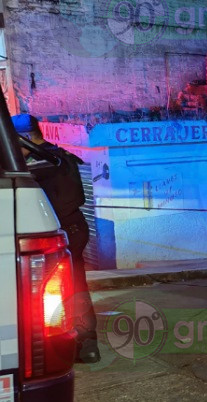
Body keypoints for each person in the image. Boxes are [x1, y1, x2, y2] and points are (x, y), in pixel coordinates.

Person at [11, 114, 100, 364]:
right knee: (76, 283)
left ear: (26, 139)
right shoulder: (59, 156)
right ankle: (87, 342)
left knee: (49, 289)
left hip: (59, 233)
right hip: (75, 227)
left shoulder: (39, 164)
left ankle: (63, 342)